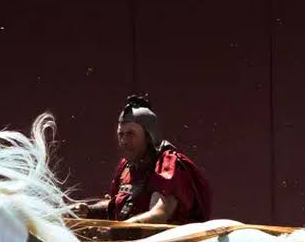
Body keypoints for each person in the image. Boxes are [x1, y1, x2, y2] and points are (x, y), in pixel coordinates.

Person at [74, 95, 211, 225]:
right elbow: (117, 207)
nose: (124, 141)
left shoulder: (168, 164)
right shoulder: (125, 166)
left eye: (130, 134)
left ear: (149, 136)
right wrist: (88, 211)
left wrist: (115, 232)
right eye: (121, 134)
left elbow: (159, 214)